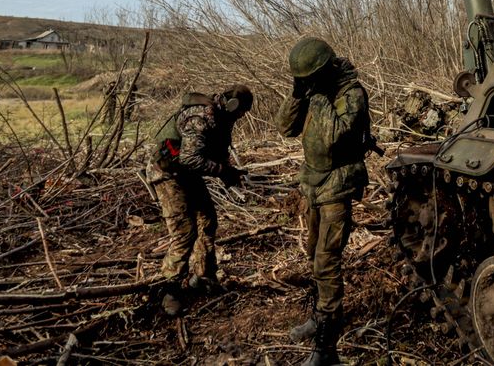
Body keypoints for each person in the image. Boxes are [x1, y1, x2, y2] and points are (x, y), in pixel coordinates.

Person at [276, 37, 372, 366]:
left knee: (327, 263)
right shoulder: (315, 90)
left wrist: (317, 96)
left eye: (311, 78)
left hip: (338, 184)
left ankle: (326, 348)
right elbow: (285, 127)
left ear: (325, 70)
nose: (309, 85)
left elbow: (333, 140)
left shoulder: (351, 94)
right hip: (314, 184)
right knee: (314, 253)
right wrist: (297, 93)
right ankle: (319, 317)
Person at [146, 86, 252, 316]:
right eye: (241, 112)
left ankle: (203, 276)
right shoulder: (200, 117)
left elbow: (216, 151)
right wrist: (221, 171)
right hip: (167, 174)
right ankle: (169, 290)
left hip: (185, 173)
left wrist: (230, 172)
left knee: (208, 219)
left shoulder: (222, 118)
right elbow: (190, 158)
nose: (241, 117)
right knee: (185, 232)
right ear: (233, 106)